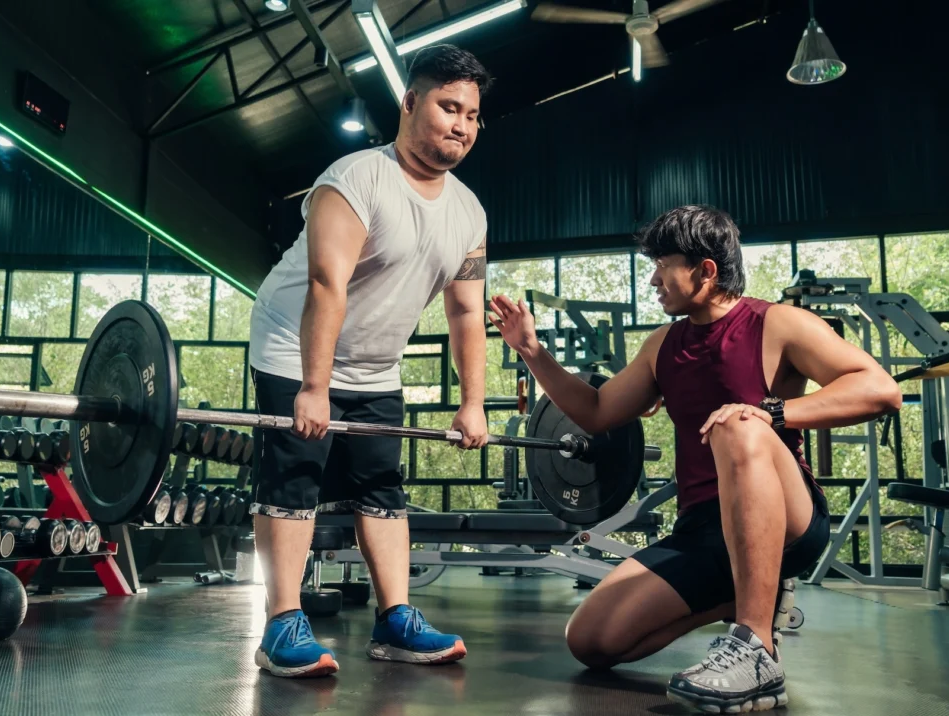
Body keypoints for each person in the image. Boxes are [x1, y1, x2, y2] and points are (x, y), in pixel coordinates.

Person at [489, 205, 902, 712]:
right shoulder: (663, 345)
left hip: (788, 519)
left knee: (737, 423)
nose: (654, 280)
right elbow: (597, 412)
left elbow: (880, 389)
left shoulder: (778, 323)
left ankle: (756, 648)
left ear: (706, 270)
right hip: (702, 528)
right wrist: (532, 351)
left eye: (663, 265)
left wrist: (769, 412)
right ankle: (744, 595)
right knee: (590, 641)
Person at [247, 44, 493, 678]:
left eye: (471, 114)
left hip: (376, 364)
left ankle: (396, 619)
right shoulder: (355, 179)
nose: (461, 125)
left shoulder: (468, 212)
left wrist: (472, 403)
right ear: (409, 103)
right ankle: (281, 622)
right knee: (295, 477)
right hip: (293, 346)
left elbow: (466, 312)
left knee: (382, 485)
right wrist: (314, 387)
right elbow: (327, 283)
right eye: (448, 107)